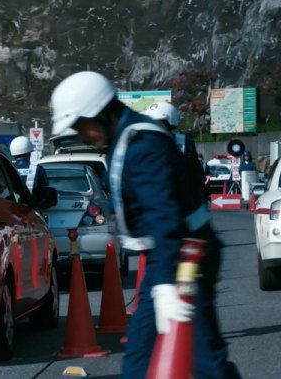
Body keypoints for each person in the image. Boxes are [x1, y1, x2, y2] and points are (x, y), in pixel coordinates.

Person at [50, 71, 239, 379]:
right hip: (166, 259)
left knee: (205, 359)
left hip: (188, 257)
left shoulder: (143, 144)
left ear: (99, 114)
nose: (81, 135)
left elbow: (163, 216)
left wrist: (165, 284)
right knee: (138, 355)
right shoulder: (124, 140)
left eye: (80, 125)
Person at [145, 101, 206, 201]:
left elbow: (196, 174)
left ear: (170, 124)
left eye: (159, 124)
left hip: (179, 201)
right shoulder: (140, 144)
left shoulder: (183, 144)